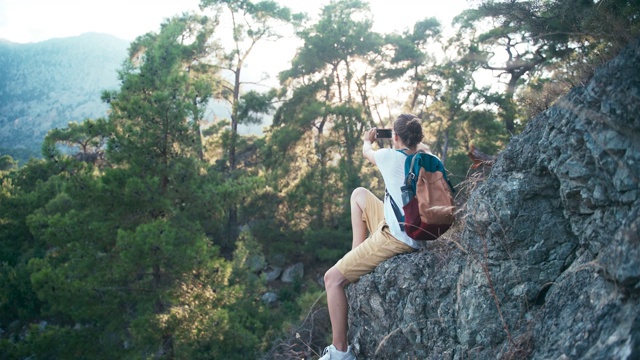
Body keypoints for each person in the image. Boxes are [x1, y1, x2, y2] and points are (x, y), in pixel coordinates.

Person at [320, 113, 430, 360]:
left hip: (398, 235)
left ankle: (340, 352)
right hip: (415, 227)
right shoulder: (428, 157)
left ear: (396, 136)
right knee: (359, 195)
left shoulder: (390, 157)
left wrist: (368, 140)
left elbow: (366, 152)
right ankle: (355, 258)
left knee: (332, 279)